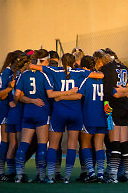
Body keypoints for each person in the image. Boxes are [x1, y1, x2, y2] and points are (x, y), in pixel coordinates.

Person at [31, 53, 104, 183]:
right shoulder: (79, 72)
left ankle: (51, 176)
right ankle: (67, 177)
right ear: (73, 62)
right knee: (72, 145)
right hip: (76, 113)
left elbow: (38, 68)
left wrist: (29, 64)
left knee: (53, 145)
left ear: (61, 62)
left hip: (59, 112)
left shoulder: (56, 70)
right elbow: (100, 75)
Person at [13, 49, 76, 183]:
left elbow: (17, 95)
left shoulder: (24, 75)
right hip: (42, 112)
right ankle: (41, 175)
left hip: (27, 112)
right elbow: (50, 95)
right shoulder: (44, 75)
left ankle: (19, 175)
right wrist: (68, 92)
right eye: (47, 60)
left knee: (24, 144)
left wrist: (30, 100)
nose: (48, 63)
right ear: (42, 61)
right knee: (42, 145)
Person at [93, 49, 128, 183]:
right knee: (124, 142)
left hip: (113, 108)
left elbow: (109, 92)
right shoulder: (123, 67)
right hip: (126, 108)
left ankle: (112, 175)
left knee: (114, 143)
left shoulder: (106, 69)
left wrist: (117, 94)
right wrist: (126, 91)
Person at [0, 50, 20, 181]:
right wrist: (10, 88)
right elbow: (0, 94)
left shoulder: (14, 72)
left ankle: (11, 170)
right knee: (5, 140)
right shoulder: (7, 72)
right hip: (5, 108)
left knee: (12, 141)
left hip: (11, 109)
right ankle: (0, 172)